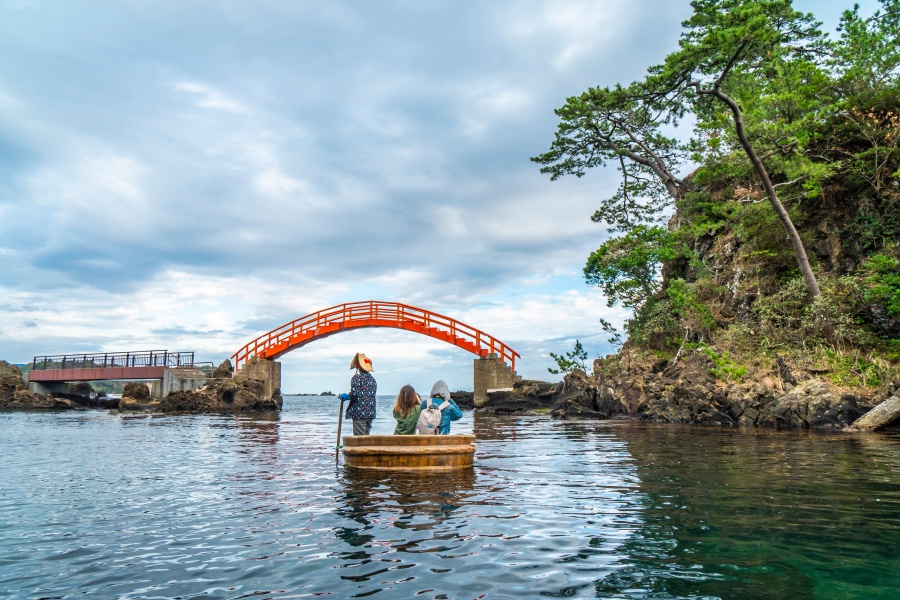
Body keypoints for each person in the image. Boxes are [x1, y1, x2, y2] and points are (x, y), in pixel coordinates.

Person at [339, 352, 377, 435]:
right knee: (366, 439)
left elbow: (355, 395)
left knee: (359, 440)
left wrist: (347, 396)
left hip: (359, 413)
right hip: (370, 413)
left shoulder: (356, 378)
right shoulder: (372, 380)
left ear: (358, 366)